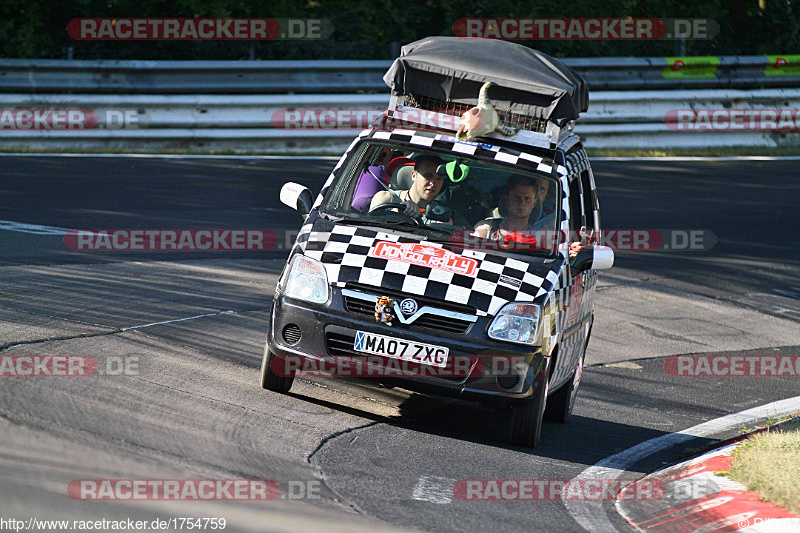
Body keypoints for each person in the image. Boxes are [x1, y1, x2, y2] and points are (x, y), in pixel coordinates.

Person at [369, 155, 451, 222]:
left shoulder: (441, 216)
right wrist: (396, 212)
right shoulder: (385, 198)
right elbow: (368, 229)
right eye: (427, 176)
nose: (433, 183)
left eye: (439, 179)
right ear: (414, 176)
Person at [473, 174, 541, 239]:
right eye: (517, 198)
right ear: (507, 199)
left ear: (534, 203)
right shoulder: (485, 230)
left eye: (527, 199)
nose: (522, 203)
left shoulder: (541, 237)